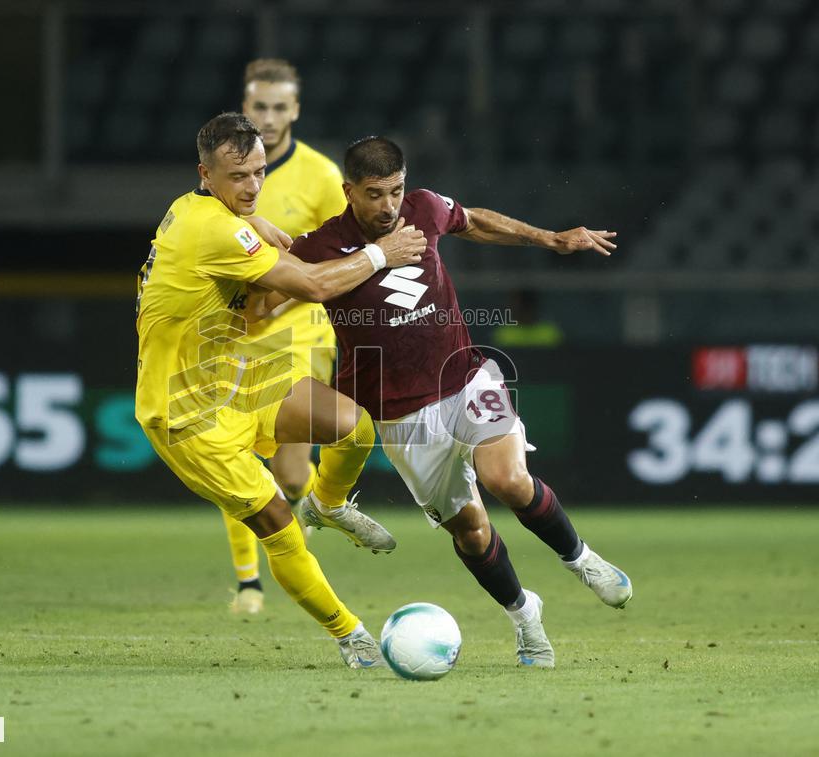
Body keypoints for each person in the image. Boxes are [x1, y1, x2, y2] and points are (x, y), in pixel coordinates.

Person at [259, 136, 632, 669]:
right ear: (348, 192)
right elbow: (267, 297)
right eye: (373, 194)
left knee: (508, 480)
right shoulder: (321, 246)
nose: (388, 205)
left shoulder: (424, 209)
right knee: (472, 531)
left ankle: (582, 560)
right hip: (400, 417)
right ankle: (526, 617)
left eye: (395, 190)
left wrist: (550, 238)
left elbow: (474, 221)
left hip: (465, 380)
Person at [135, 116, 427, 667]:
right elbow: (314, 286)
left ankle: (331, 504)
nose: (251, 186)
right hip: (185, 413)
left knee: (353, 424)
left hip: (233, 373)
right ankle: (352, 636)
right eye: (238, 176)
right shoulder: (217, 231)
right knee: (279, 526)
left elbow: (236, 247)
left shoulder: (192, 207)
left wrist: (256, 222)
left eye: (260, 172)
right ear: (206, 173)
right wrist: (383, 254)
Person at [220, 59, 349, 616]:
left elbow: (339, 254)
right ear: (244, 110)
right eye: (258, 107)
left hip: (298, 330)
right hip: (237, 330)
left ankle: (313, 505)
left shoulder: (320, 176)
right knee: (235, 449)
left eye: (278, 108)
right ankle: (249, 583)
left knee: (291, 472)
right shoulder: (227, 172)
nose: (268, 119)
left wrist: (281, 297)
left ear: (294, 110)